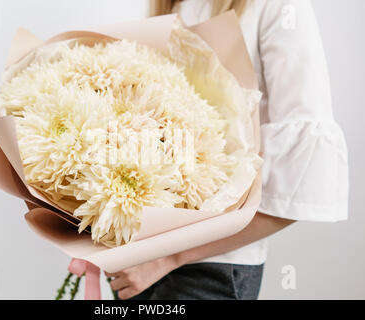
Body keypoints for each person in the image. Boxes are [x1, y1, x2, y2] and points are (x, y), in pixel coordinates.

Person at [105, 0, 349, 300]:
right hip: (138, 265)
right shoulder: (172, 7)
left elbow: (301, 184)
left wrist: (168, 257)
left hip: (208, 270)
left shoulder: (279, 7)